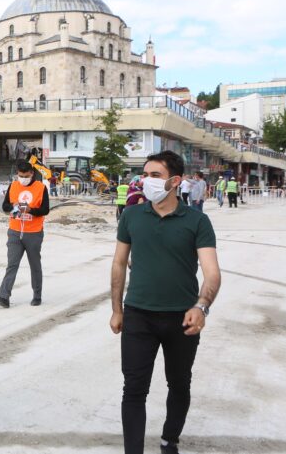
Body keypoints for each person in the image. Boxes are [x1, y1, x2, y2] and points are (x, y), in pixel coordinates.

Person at [110, 150, 221, 454]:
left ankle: (169, 440)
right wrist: (117, 309)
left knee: (179, 384)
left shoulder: (197, 221)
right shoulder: (131, 216)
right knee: (134, 388)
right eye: (145, 175)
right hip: (138, 316)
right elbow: (119, 263)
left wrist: (201, 306)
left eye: (155, 175)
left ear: (175, 181)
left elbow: (212, 273)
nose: (147, 181)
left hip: (181, 318)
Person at [0, 159, 50, 308]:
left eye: (26, 176)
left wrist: (31, 210)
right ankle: (4, 297)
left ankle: (37, 296)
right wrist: (13, 206)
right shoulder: (13, 185)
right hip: (15, 232)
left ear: (32, 173)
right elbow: (5, 206)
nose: (23, 179)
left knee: (35, 265)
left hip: (34, 233)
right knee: (12, 265)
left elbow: (45, 209)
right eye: (20, 176)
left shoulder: (41, 188)